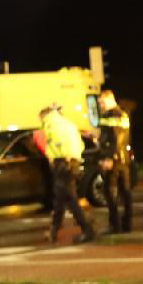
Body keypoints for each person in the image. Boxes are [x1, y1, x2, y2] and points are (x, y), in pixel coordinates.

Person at [36, 101, 93, 243]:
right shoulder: (67, 123)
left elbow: (57, 142)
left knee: (69, 199)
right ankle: (53, 231)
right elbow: (80, 144)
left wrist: (62, 157)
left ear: (45, 116)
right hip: (72, 161)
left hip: (63, 163)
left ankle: (87, 230)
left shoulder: (51, 124)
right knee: (61, 199)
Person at [95, 89, 133, 233]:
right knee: (125, 192)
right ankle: (127, 224)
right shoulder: (122, 114)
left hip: (115, 159)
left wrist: (108, 157)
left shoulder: (113, 115)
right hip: (123, 158)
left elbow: (115, 139)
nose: (101, 106)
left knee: (109, 192)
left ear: (110, 100)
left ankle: (115, 225)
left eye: (102, 103)